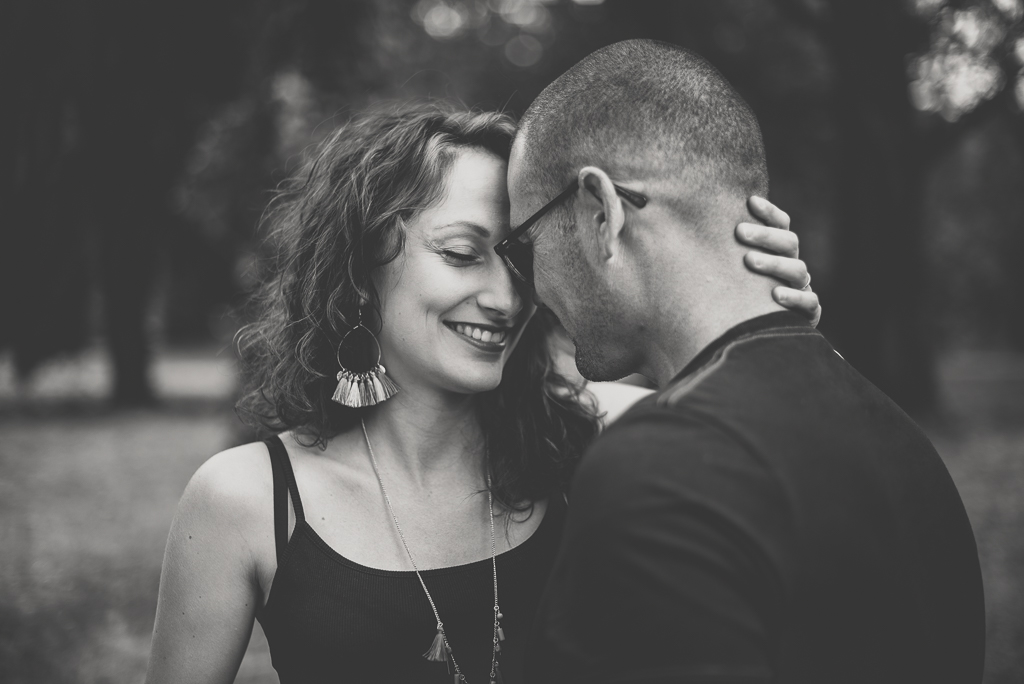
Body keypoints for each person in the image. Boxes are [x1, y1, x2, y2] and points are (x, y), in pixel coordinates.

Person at [143, 101, 820, 684]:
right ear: (361, 263)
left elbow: (802, 449)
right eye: (462, 253)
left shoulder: (606, 440)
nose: (503, 297)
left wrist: (767, 320)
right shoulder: (247, 500)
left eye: (520, 260)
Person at [507, 40, 986, 684]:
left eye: (522, 244)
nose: (524, 290)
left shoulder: (662, 470)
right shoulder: (901, 438)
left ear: (602, 213)